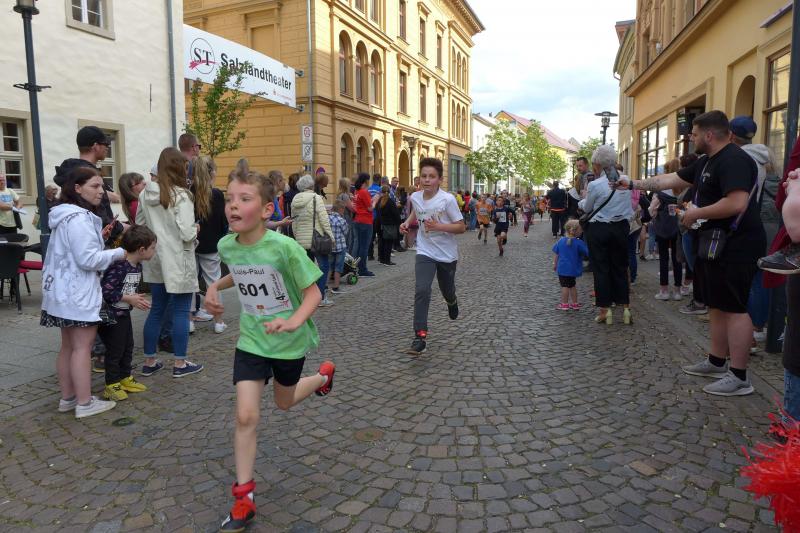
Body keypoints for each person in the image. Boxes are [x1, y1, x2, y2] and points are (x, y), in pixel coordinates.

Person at [202, 170, 335, 533]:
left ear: (265, 210)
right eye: (230, 198)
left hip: (289, 342)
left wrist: (293, 321)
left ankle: (322, 378)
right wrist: (214, 287)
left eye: (244, 199)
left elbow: (314, 293)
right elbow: (241, 271)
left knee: (284, 402)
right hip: (252, 340)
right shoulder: (228, 245)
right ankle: (244, 498)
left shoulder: (285, 248)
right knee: (246, 416)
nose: (233, 205)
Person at [619, 110, 766, 396]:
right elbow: (670, 179)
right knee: (716, 304)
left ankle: (739, 377)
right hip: (713, 243)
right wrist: (633, 184)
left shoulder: (735, 160)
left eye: (695, 134)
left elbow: (736, 202)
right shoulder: (706, 161)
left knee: (735, 308)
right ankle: (716, 361)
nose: (691, 137)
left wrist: (696, 213)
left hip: (736, 244)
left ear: (709, 135)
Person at [41, 166, 126, 418]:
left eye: (102, 186)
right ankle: (85, 403)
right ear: (77, 188)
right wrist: (120, 253)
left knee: (68, 347)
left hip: (61, 291)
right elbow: (88, 259)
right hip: (77, 292)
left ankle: (69, 398)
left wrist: (100, 239)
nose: (101, 191)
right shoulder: (79, 218)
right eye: (95, 186)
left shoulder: (66, 215)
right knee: (81, 348)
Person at [136, 147, 204, 378]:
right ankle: (180, 363)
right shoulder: (181, 195)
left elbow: (139, 225)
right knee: (181, 311)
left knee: (157, 309)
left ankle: (149, 361)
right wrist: (196, 229)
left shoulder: (145, 195)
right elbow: (186, 233)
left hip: (155, 258)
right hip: (178, 259)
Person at [400, 158, 464, 355]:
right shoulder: (415, 197)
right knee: (422, 289)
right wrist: (407, 223)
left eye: (432, 176)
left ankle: (452, 301)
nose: (427, 180)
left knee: (447, 290)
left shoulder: (447, 200)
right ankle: (420, 336)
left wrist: (439, 226)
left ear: (440, 180)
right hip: (425, 251)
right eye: (424, 176)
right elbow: (417, 211)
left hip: (446, 254)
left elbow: (461, 227)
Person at [98, 226, 157, 401]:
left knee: (127, 346)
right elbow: (106, 291)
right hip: (111, 316)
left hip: (123, 313)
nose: (154, 251)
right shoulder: (119, 266)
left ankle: (124, 377)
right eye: (153, 248)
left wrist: (134, 299)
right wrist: (129, 298)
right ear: (141, 249)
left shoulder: (136, 266)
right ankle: (111, 384)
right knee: (115, 350)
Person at [579, 145, 633, 326]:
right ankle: (625, 309)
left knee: (601, 269)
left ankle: (605, 310)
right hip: (621, 227)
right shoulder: (626, 181)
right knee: (620, 267)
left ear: (597, 165)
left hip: (600, 228)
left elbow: (588, 207)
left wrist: (581, 202)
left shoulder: (595, 184)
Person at [53, 126, 125, 244]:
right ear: (95, 146)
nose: (107, 147)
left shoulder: (72, 172)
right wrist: (123, 228)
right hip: (94, 239)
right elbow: (100, 218)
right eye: (105, 144)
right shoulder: (89, 175)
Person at [191, 156, 228, 333]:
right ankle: (218, 321)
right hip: (212, 244)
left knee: (191, 283)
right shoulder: (217, 194)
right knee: (214, 283)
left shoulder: (188, 192)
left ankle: (189, 321)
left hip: (192, 243)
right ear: (211, 172)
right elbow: (222, 222)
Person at [291, 174, 335, 305]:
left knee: (308, 270)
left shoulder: (295, 200)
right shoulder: (316, 198)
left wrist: (297, 236)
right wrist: (331, 236)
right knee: (324, 266)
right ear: (311, 185)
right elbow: (324, 220)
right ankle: (319, 298)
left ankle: (307, 297)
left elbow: (294, 222)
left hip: (301, 239)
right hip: (316, 239)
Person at [649, 158, 683, 301]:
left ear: (667, 171)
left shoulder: (661, 189)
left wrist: (655, 215)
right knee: (677, 259)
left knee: (663, 258)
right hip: (678, 227)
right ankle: (678, 291)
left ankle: (664, 291)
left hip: (662, 227)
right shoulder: (682, 187)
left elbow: (651, 209)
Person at [553, 220, 589, 310]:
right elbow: (587, 253)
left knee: (565, 286)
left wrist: (555, 264)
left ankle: (564, 304)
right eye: (581, 229)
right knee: (572, 285)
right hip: (573, 269)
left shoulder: (561, 241)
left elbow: (557, 254)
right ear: (577, 231)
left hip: (563, 269)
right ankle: (575, 303)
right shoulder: (579, 242)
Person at [352, 173, 376, 277]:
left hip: (358, 219)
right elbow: (370, 208)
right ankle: (362, 269)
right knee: (364, 247)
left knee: (359, 246)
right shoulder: (364, 192)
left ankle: (356, 266)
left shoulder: (357, 191)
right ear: (366, 181)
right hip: (365, 221)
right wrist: (375, 201)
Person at [328, 199, 349, 293]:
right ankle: (336, 287)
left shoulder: (327, 218)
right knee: (338, 267)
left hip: (329, 246)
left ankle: (325, 286)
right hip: (340, 247)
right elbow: (346, 232)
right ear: (341, 209)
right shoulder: (342, 220)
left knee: (329, 267)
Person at [378, 184, 401, 266]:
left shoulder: (379, 201)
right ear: (389, 192)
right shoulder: (390, 201)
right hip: (390, 224)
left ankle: (381, 259)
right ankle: (387, 260)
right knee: (389, 243)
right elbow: (396, 214)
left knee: (382, 242)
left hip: (381, 224)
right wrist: (399, 222)